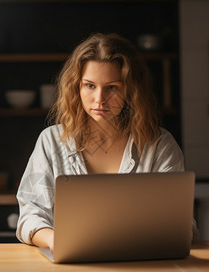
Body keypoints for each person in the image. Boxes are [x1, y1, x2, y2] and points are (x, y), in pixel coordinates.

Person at [16, 33, 196, 250]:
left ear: (131, 90)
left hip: (144, 264)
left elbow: (182, 224)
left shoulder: (159, 145)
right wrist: (57, 241)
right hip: (70, 267)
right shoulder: (52, 141)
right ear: (76, 87)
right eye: (90, 86)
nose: (100, 99)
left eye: (112, 87)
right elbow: (30, 214)